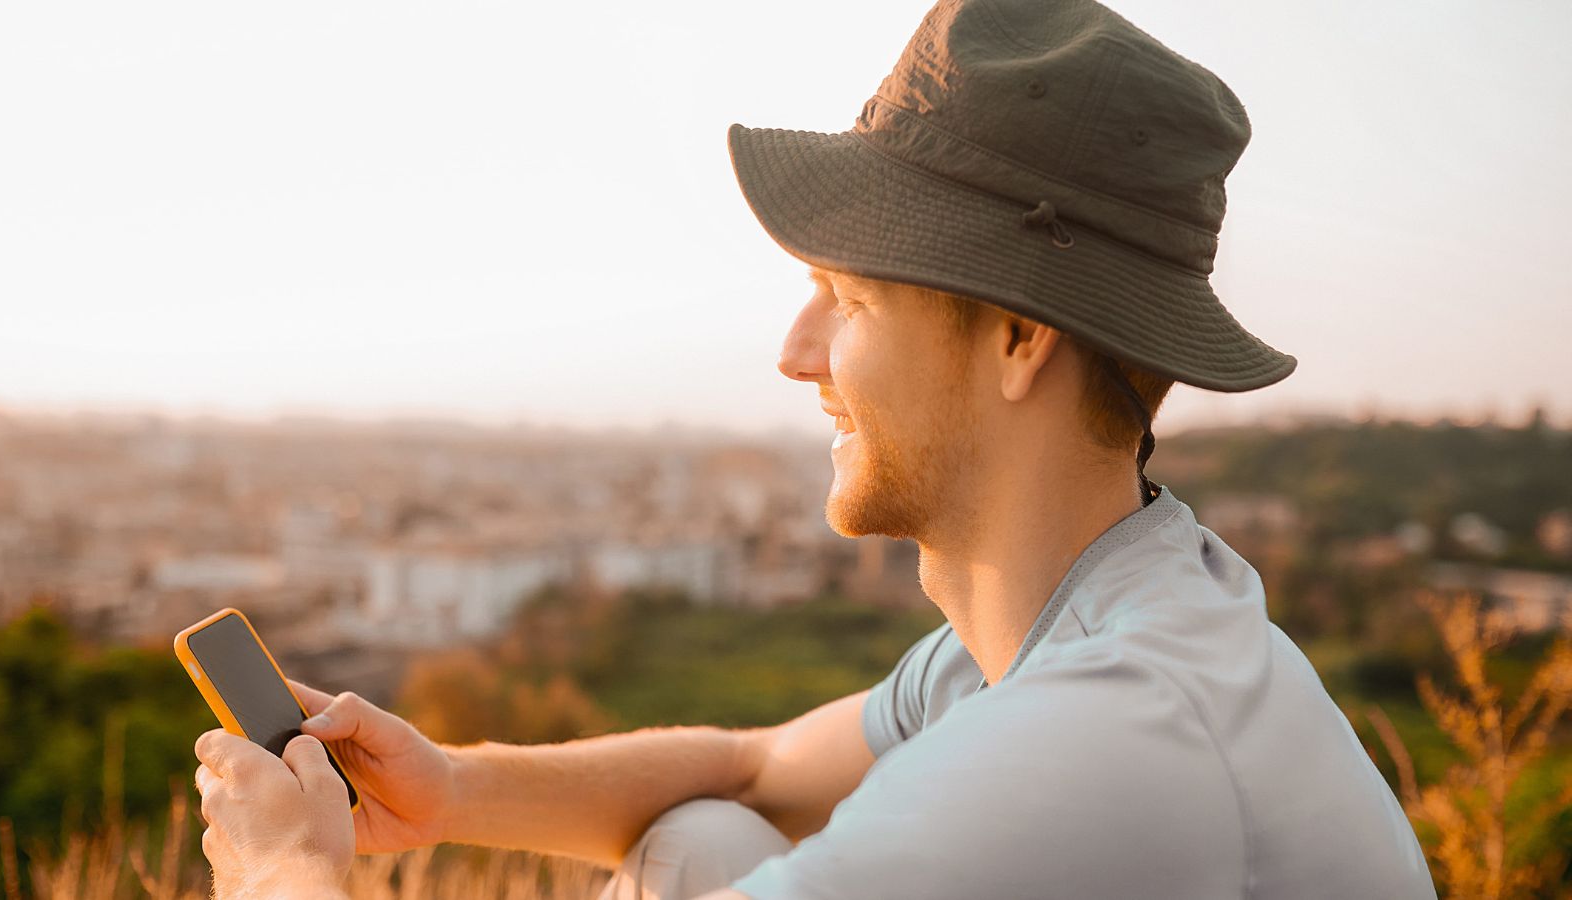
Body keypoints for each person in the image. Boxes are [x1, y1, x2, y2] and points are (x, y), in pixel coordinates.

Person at [191, 0, 1440, 896]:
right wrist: (452, 787)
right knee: (706, 836)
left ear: (1017, 338)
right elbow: (756, 768)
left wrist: (283, 871)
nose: (795, 354)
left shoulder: (1100, 745)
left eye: (848, 298)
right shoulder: (1092, 625)